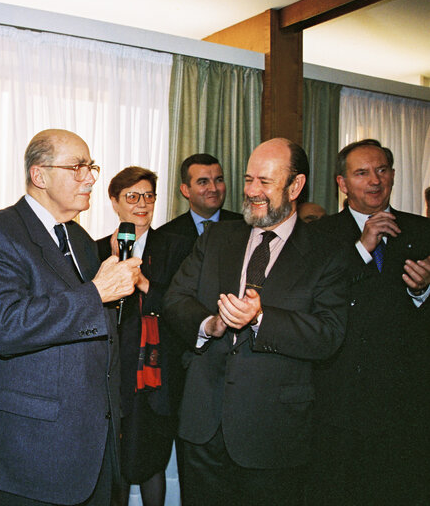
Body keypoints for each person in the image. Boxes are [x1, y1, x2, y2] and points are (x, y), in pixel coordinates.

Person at [0, 129, 141, 506]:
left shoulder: (80, 240)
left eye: (91, 167)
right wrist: (97, 292)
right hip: (25, 452)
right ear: (40, 176)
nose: (90, 178)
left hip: (89, 450)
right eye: (77, 167)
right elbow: (6, 326)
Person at [162, 138, 348, 506]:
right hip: (203, 428)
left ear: (295, 186)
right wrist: (210, 324)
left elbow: (329, 335)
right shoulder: (217, 237)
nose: (251, 192)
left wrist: (261, 319)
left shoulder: (326, 254)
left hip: (274, 436)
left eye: (265, 182)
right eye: (248, 180)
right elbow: (175, 300)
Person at [309, 139, 430, 505]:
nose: (375, 180)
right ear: (342, 184)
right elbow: (314, 302)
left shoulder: (421, 231)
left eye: (382, 170)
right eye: (362, 173)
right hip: (339, 398)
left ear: (393, 175)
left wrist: (422, 292)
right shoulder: (317, 235)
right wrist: (362, 248)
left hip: (404, 399)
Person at [96, 167, 191, 506]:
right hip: (112, 373)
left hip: (158, 373)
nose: (142, 204)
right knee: (115, 462)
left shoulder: (178, 247)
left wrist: (143, 284)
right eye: (131, 197)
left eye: (148, 196)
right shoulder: (95, 250)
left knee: (152, 457)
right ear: (114, 203)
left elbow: (186, 308)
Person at [158, 153, 242, 245]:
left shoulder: (244, 226)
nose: (213, 188)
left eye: (219, 180)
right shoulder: (166, 235)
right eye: (203, 182)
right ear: (185, 190)